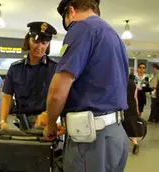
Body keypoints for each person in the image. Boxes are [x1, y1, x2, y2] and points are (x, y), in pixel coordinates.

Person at [43, 0, 129, 172]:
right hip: (116, 135)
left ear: (71, 11)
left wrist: (50, 123)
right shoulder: (114, 36)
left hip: (91, 140)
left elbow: (57, 92)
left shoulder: (81, 28)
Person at [0, 21, 58, 130]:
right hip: (22, 124)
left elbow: (60, 97)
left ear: (48, 44)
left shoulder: (55, 69)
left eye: (44, 43)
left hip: (46, 123)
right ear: (28, 41)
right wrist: (2, 121)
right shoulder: (15, 69)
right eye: (35, 41)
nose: (39, 47)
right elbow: (7, 96)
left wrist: (48, 114)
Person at [123, 74, 140, 154]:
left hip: (124, 106)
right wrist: (137, 109)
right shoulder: (134, 84)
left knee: (124, 125)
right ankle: (135, 143)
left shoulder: (123, 83)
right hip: (132, 106)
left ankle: (124, 145)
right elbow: (135, 97)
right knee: (132, 125)